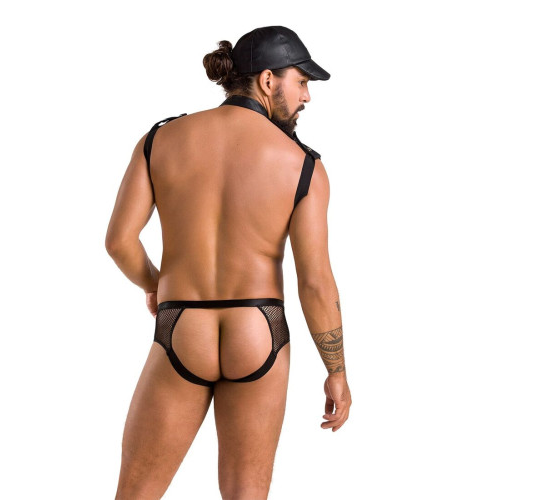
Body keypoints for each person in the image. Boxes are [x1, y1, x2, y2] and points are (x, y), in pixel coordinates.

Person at [105, 25, 351, 500]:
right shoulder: (302, 163)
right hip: (258, 330)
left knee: (135, 494)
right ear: (267, 80)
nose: (306, 96)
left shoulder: (161, 139)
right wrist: (336, 371)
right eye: (301, 82)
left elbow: (119, 242)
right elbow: (315, 283)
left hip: (183, 326)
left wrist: (155, 284)